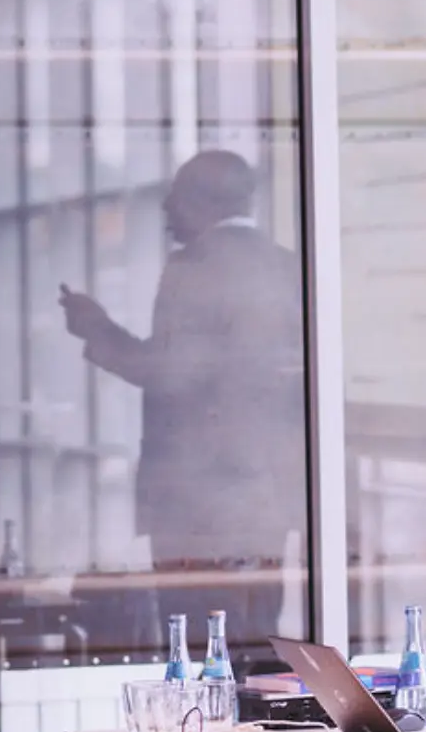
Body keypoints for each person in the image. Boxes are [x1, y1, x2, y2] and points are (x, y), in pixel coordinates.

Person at [59, 148, 305, 653]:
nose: (166, 208)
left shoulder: (193, 267)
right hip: (267, 499)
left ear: (200, 200)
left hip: (200, 506)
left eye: (174, 196)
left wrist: (96, 328)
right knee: (259, 640)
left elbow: (171, 373)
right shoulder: (289, 265)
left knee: (198, 646)